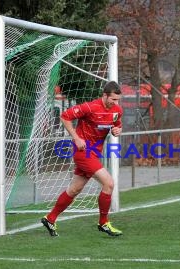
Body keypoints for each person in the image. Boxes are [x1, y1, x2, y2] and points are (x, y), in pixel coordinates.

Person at [41, 81, 123, 237]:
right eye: (113, 99)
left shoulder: (117, 110)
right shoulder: (89, 107)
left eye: (117, 100)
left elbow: (117, 125)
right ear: (104, 95)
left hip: (94, 153)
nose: (115, 103)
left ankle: (50, 218)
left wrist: (116, 130)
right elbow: (65, 116)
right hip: (83, 152)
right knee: (109, 183)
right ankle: (103, 223)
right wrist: (76, 138)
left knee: (74, 189)